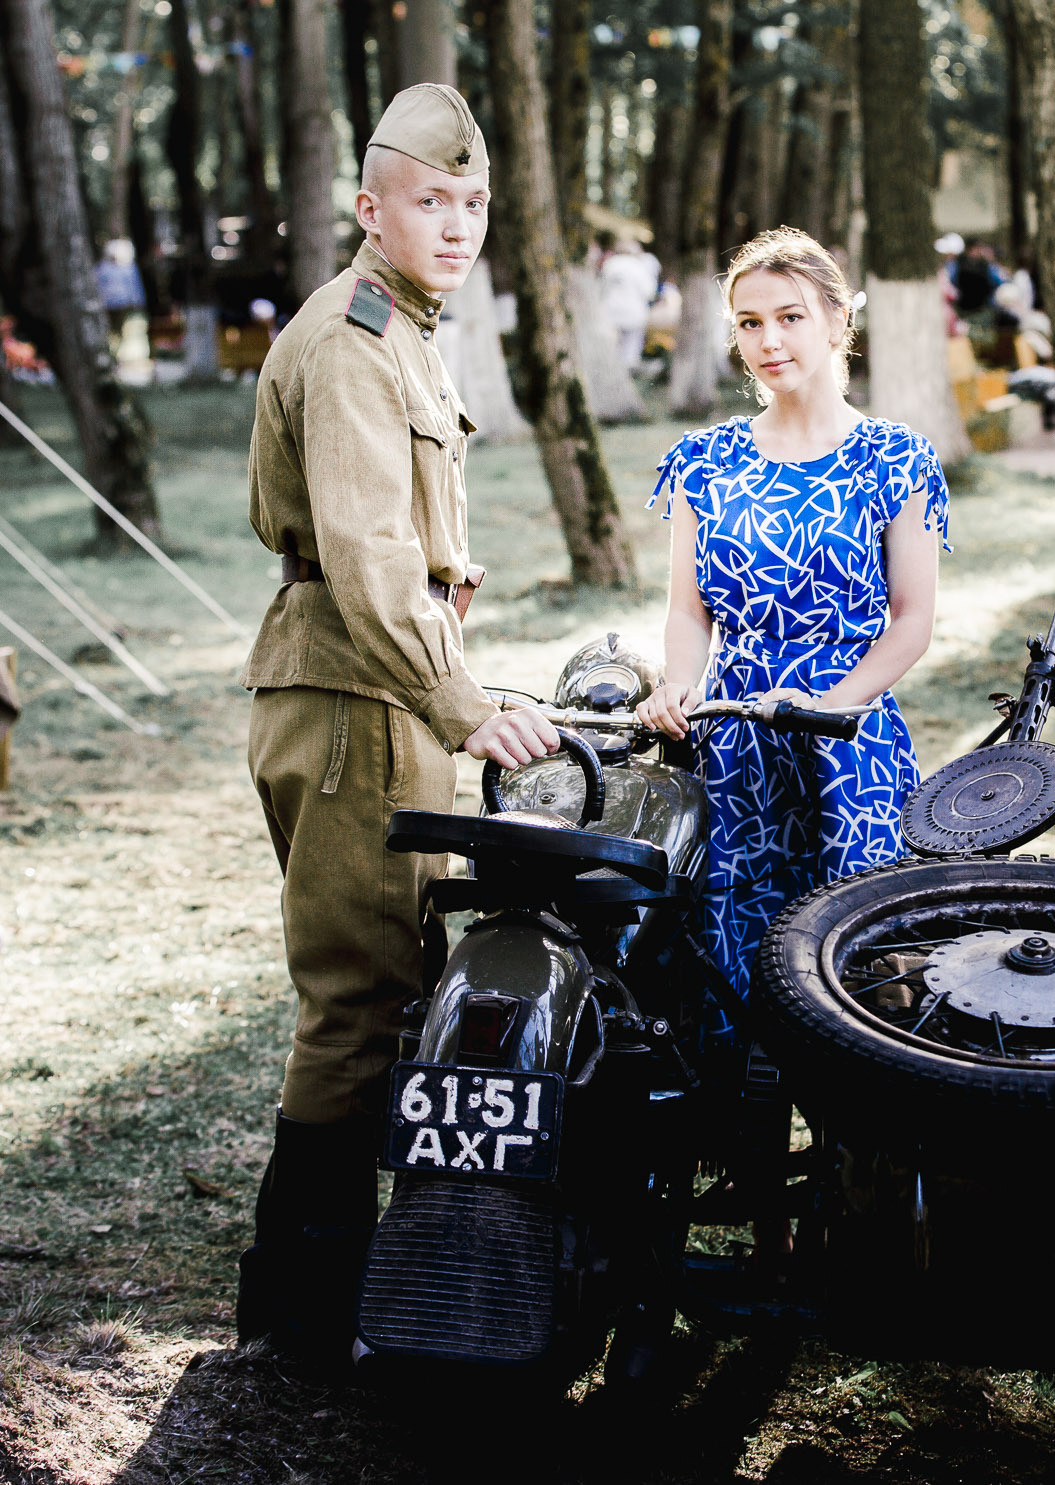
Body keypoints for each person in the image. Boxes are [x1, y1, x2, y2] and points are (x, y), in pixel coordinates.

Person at [235, 83, 561, 1365]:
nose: (458, 224)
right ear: (372, 210)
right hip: (359, 697)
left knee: (399, 987)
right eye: (433, 202)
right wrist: (465, 702)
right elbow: (370, 559)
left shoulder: (411, 332)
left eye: (475, 204)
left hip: (381, 690)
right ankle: (301, 1313)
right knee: (359, 1001)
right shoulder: (355, 340)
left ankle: (351, 1285)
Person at [635, 226, 947, 1003]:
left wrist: (826, 708)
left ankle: (852, 1126)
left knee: (856, 961)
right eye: (749, 322)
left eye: (790, 317)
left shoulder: (897, 456)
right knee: (731, 942)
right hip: (735, 732)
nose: (768, 340)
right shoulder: (702, 461)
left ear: (840, 322)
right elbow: (687, 612)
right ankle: (742, 1123)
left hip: (849, 734)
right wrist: (679, 684)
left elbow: (911, 620)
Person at [599, 236, 661, 368]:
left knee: (611, 346)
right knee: (629, 348)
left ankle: (610, 369)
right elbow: (649, 291)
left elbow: (602, 287)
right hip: (633, 313)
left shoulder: (610, 264)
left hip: (611, 311)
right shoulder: (638, 266)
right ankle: (626, 373)